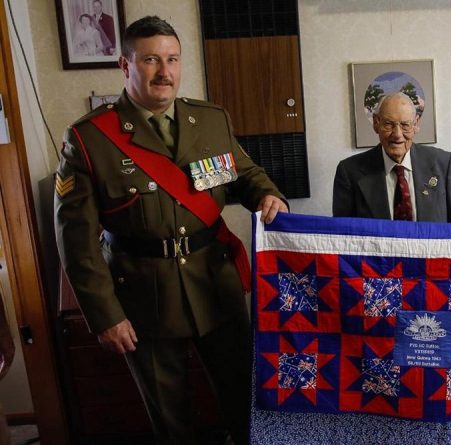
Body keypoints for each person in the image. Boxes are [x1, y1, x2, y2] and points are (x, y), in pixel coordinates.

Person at [54, 16, 288, 444]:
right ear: (126, 66)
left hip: (215, 287)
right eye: (150, 60)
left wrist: (268, 196)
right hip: (145, 300)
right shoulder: (90, 138)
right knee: (171, 418)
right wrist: (107, 315)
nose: (165, 71)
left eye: (172, 59)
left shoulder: (211, 119)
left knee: (245, 401)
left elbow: (247, 174)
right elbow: (77, 242)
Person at [333, 92, 451, 222]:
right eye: (388, 124)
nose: (397, 134)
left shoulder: (443, 164)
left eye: (405, 125)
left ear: (415, 124)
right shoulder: (349, 172)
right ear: (376, 123)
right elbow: (343, 236)